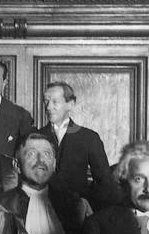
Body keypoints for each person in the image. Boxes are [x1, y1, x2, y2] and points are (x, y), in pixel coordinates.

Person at [38, 81, 120, 210]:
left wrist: (86, 203)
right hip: (41, 209)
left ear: (70, 104)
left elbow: (104, 182)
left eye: (55, 102)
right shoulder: (36, 137)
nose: (48, 107)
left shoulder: (89, 138)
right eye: (46, 101)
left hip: (77, 213)